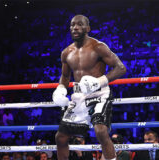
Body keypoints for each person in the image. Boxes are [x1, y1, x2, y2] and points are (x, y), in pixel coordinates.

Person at [53, 14, 126, 160]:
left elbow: (121, 68)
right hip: (79, 96)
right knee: (60, 137)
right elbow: (66, 77)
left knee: (100, 131)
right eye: (72, 25)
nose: (75, 27)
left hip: (99, 95)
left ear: (88, 28)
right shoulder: (66, 53)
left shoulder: (98, 47)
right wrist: (60, 89)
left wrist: (99, 81)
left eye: (79, 24)